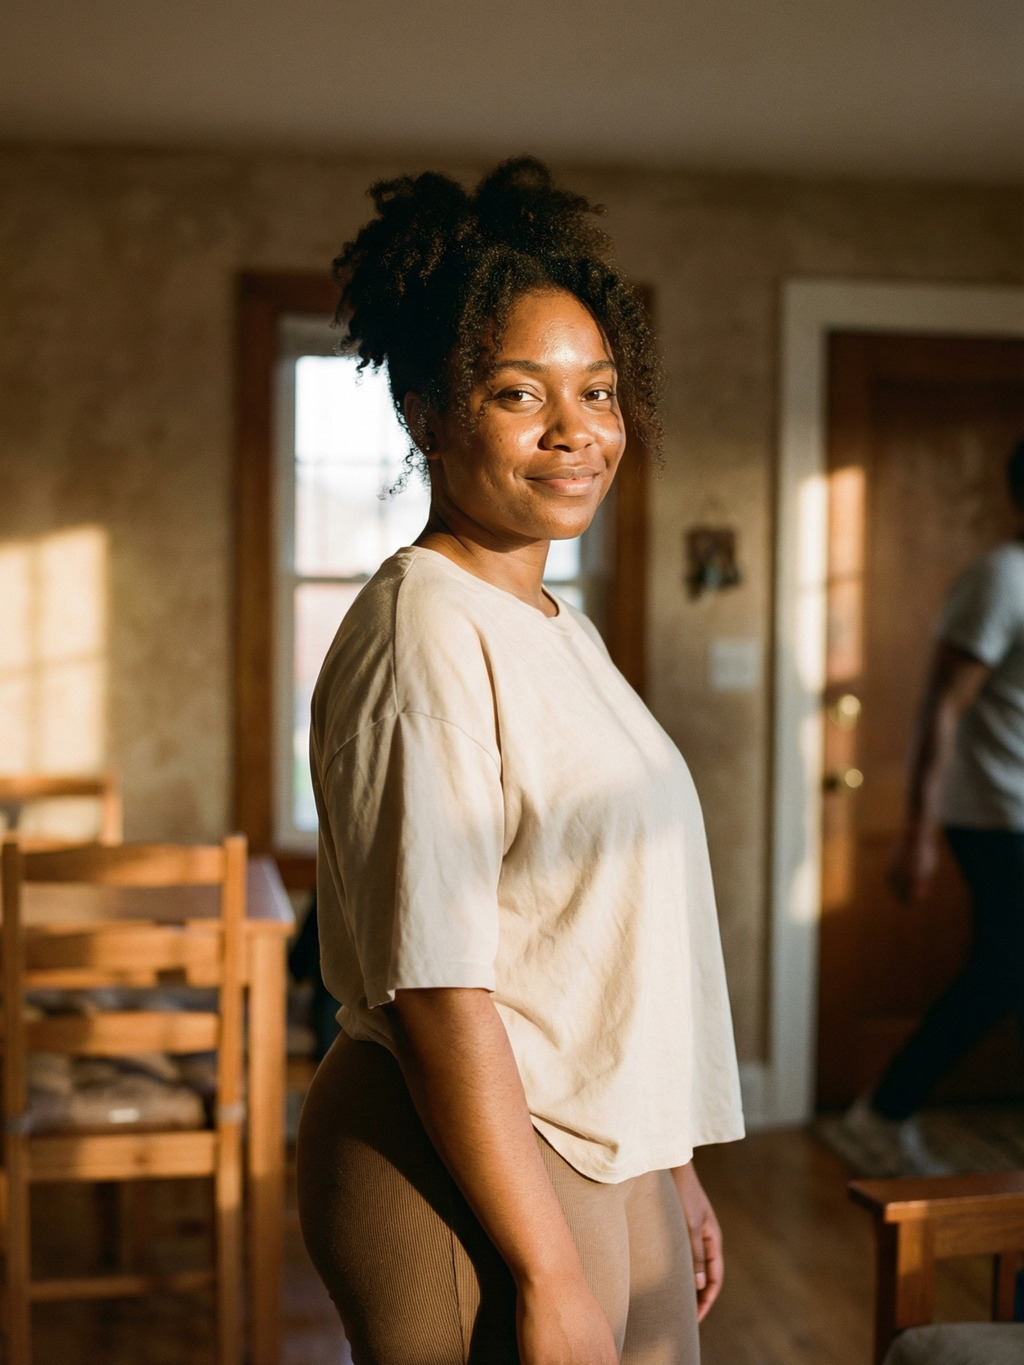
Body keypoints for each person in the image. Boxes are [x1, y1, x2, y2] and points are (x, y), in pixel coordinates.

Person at [296, 158, 744, 1365]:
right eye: (516, 394)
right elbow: (438, 982)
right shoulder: (422, 628)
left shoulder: (555, 623)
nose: (577, 432)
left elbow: (592, 934)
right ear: (426, 414)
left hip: (597, 1141)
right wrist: (547, 1272)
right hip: (468, 1162)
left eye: (598, 391)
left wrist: (670, 1164)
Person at [846, 438, 1024, 1173]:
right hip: (994, 814)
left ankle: (885, 1110)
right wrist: (915, 831)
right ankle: (882, 1112)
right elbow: (941, 707)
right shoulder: (1002, 580)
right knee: (1003, 971)